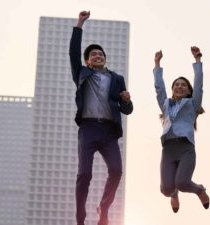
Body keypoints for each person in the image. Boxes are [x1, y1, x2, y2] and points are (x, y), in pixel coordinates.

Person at [69, 11, 133, 225]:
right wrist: (79, 24)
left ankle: (103, 207)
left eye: (101, 54)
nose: (98, 55)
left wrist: (125, 99)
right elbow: (73, 53)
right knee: (84, 175)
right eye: (93, 54)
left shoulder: (117, 78)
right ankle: (80, 218)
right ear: (87, 61)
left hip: (108, 131)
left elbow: (127, 109)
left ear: (105, 58)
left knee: (116, 170)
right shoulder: (82, 74)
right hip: (88, 129)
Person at [153, 47, 209, 213]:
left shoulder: (193, 104)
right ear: (173, 89)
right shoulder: (165, 105)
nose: (179, 87)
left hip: (186, 149)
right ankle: (174, 195)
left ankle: (199, 190)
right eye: (176, 85)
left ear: (188, 90)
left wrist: (197, 61)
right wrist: (157, 63)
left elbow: (199, 85)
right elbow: (159, 88)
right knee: (166, 190)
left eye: (183, 85)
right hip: (168, 149)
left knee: (183, 183)